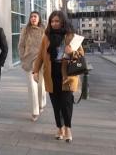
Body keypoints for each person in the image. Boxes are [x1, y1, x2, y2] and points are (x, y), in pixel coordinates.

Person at [32, 10, 84, 143]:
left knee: (66, 103)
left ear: (62, 22)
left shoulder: (71, 37)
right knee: (56, 104)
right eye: (52, 21)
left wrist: (72, 52)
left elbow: (81, 56)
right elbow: (40, 56)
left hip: (67, 73)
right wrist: (36, 71)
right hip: (51, 73)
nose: (54, 23)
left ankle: (68, 128)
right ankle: (59, 128)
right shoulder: (46, 37)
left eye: (57, 21)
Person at [18, 11, 46, 122]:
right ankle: (35, 111)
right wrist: (22, 57)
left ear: (39, 18)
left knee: (41, 86)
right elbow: (21, 45)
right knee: (32, 87)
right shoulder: (26, 30)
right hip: (29, 61)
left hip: (42, 61)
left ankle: (41, 103)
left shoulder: (44, 30)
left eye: (35, 16)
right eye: (31, 17)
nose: (33, 18)